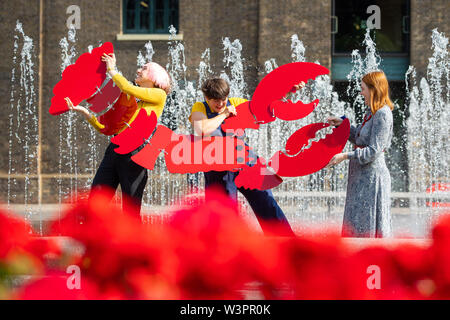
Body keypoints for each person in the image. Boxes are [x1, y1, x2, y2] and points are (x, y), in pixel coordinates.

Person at [189, 78, 301, 236]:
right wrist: (225, 114)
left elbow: (265, 104)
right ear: (207, 98)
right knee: (224, 215)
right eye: (216, 101)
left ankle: (286, 242)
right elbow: (201, 129)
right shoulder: (200, 107)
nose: (220, 104)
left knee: (266, 201)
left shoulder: (235, 102)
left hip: (246, 162)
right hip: (218, 168)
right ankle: (228, 252)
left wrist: (287, 90)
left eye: (223, 100)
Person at [65, 53, 171, 217]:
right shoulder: (133, 102)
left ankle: (132, 242)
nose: (138, 70)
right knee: (97, 199)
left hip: (135, 152)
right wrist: (86, 113)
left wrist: (112, 69)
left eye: (144, 68)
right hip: (114, 150)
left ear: (155, 76)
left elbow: (127, 87)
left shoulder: (159, 95)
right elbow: (108, 128)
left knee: (131, 208)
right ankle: (96, 239)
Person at [326, 70, 394, 238]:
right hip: (361, 178)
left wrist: (345, 156)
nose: (361, 92)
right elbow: (360, 139)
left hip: (372, 179)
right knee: (357, 226)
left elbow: (374, 150)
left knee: (368, 228)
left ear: (374, 89)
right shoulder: (371, 113)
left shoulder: (383, 114)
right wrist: (342, 125)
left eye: (363, 88)